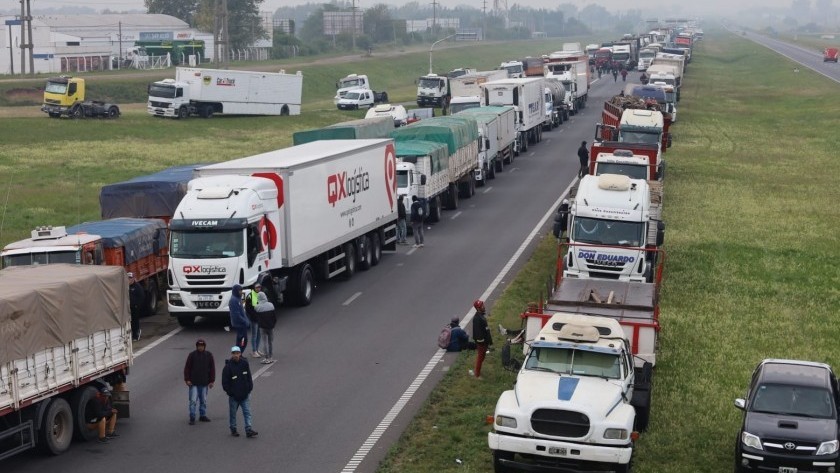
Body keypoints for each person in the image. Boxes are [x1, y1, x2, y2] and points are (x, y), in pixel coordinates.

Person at [222, 346, 258, 438]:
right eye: (234, 353)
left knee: (247, 412)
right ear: (232, 354)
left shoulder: (244, 364)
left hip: (245, 394)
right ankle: (233, 429)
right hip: (234, 396)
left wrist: (249, 388)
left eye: (237, 353)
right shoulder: (228, 367)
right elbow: (225, 383)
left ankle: (248, 429)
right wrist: (231, 393)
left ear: (240, 354)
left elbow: (249, 377)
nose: (236, 355)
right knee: (233, 413)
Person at [184, 338, 216, 425]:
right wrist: (187, 379)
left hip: (204, 383)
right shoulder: (192, 355)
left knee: (203, 401)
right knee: (193, 401)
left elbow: (212, 369)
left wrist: (212, 381)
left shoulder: (209, 355)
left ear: (204, 346)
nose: (200, 347)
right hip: (193, 383)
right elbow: (187, 368)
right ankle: (192, 416)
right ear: (197, 346)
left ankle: (202, 415)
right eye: (199, 346)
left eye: (202, 346)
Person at [470, 300, 493, 379]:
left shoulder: (481, 316)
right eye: (482, 306)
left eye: (483, 305)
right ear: (478, 308)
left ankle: (477, 370)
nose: (484, 307)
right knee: (480, 357)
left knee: (482, 357)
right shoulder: (477, 318)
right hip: (481, 342)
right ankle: (477, 374)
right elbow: (478, 332)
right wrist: (482, 341)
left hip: (484, 341)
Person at [255, 292, 277, 364]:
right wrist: (273, 325)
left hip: (262, 327)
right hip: (270, 326)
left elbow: (256, 318)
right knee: (270, 342)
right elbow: (274, 317)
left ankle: (266, 358)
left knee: (264, 342)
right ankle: (271, 357)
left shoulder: (257, 307)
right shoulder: (271, 305)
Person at [229, 285, 250, 352]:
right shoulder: (233, 300)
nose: (241, 292)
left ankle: (238, 355)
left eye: (241, 290)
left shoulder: (238, 298)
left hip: (241, 323)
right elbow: (236, 314)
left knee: (240, 340)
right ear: (236, 291)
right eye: (240, 290)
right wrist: (245, 321)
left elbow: (242, 311)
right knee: (243, 340)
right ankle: (238, 354)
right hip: (239, 324)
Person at [245, 284, 262, 358]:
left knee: (259, 334)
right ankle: (254, 351)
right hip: (254, 319)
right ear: (254, 288)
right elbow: (248, 309)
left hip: (259, 318)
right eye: (257, 287)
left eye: (259, 287)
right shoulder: (250, 296)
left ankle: (257, 350)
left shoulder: (261, 294)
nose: (258, 288)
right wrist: (253, 317)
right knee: (254, 335)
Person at [128, 272, 145, 341]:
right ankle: (132, 334)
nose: (129, 280)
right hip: (129, 307)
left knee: (135, 321)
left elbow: (142, 296)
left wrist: (137, 305)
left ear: (133, 279)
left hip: (135, 307)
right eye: (128, 278)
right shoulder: (126, 287)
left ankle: (136, 334)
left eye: (130, 278)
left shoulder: (137, 287)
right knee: (130, 321)